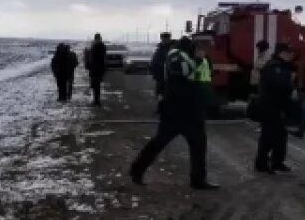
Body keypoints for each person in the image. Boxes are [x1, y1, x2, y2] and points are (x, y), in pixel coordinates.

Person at [129, 37, 217, 190]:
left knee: (199, 146)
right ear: (196, 44)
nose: (206, 49)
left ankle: (198, 180)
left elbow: (203, 78)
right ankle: (136, 170)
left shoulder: (200, 58)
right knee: (159, 142)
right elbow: (183, 73)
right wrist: (197, 60)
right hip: (175, 110)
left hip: (193, 110)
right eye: (204, 46)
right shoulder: (177, 54)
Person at [255, 43, 296, 173]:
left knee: (280, 136)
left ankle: (277, 162)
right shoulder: (274, 66)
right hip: (271, 106)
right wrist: (290, 85)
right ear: (281, 53)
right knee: (269, 135)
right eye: (288, 52)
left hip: (278, 106)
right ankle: (262, 163)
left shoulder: (282, 66)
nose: (290, 55)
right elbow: (277, 85)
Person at [149, 33, 173, 113]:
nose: (164, 40)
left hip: (169, 76)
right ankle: (161, 107)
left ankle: (166, 108)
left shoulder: (172, 49)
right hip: (160, 75)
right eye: (163, 39)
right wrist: (153, 70)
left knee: (168, 93)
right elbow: (154, 61)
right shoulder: (160, 49)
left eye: (165, 39)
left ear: (169, 39)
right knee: (160, 93)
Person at [86, 35, 108, 106]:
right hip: (99, 69)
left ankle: (96, 101)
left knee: (95, 85)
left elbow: (91, 58)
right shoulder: (102, 46)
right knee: (96, 85)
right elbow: (104, 58)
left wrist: (89, 66)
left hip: (95, 69)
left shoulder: (95, 46)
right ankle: (96, 100)